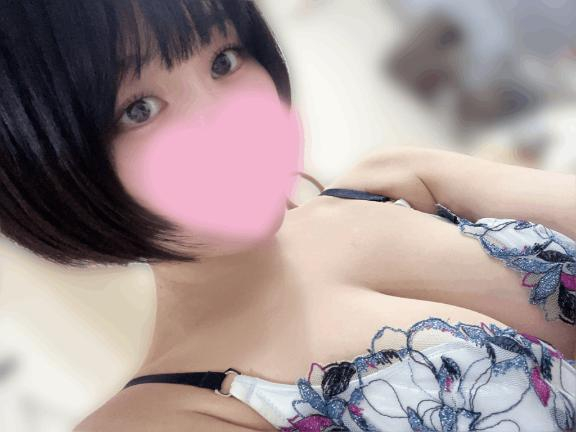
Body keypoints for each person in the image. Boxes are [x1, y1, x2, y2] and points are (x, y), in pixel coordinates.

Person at [0, 1, 573, 431]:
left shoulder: (397, 178)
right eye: (139, 109)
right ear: (47, 169)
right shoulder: (160, 416)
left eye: (224, 59)